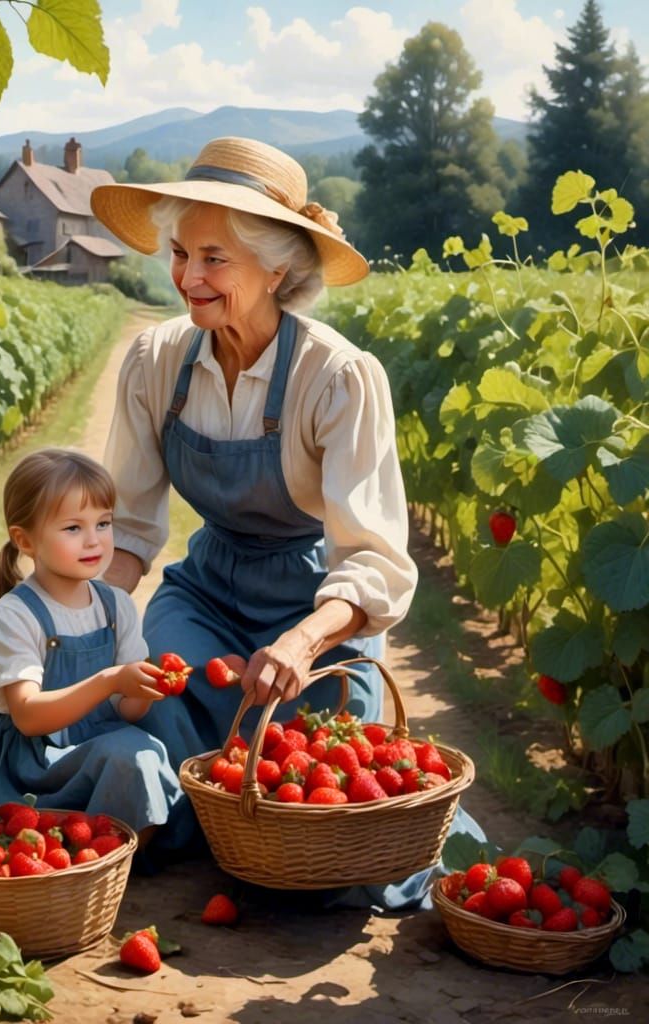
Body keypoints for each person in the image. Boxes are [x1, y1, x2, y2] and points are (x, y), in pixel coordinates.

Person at [90, 137, 484, 906]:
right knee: (153, 687)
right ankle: (195, 831)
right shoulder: (156, 362)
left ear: (278, 269)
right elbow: (131, 529)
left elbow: (371, 557)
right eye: (179, 253)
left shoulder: (337, 377)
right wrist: (85, 623)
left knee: (322, 773)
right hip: (208, 588)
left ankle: (292, 859)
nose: (188, 277)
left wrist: (302, 643)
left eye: (214, 258)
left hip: (316, 605)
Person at [0, 448, 183, 843]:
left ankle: (116, 859)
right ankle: (84, 857)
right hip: (34, 760)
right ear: (24, 540)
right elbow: (27, 716)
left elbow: (126, 712)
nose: (93, 540)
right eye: (73, 529)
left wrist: (147, 689)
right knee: (126, 755)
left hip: (96, 747)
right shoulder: (15, 616)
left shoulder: (116, 606)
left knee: (143, 749)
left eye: (103, 523)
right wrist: (110, 680)